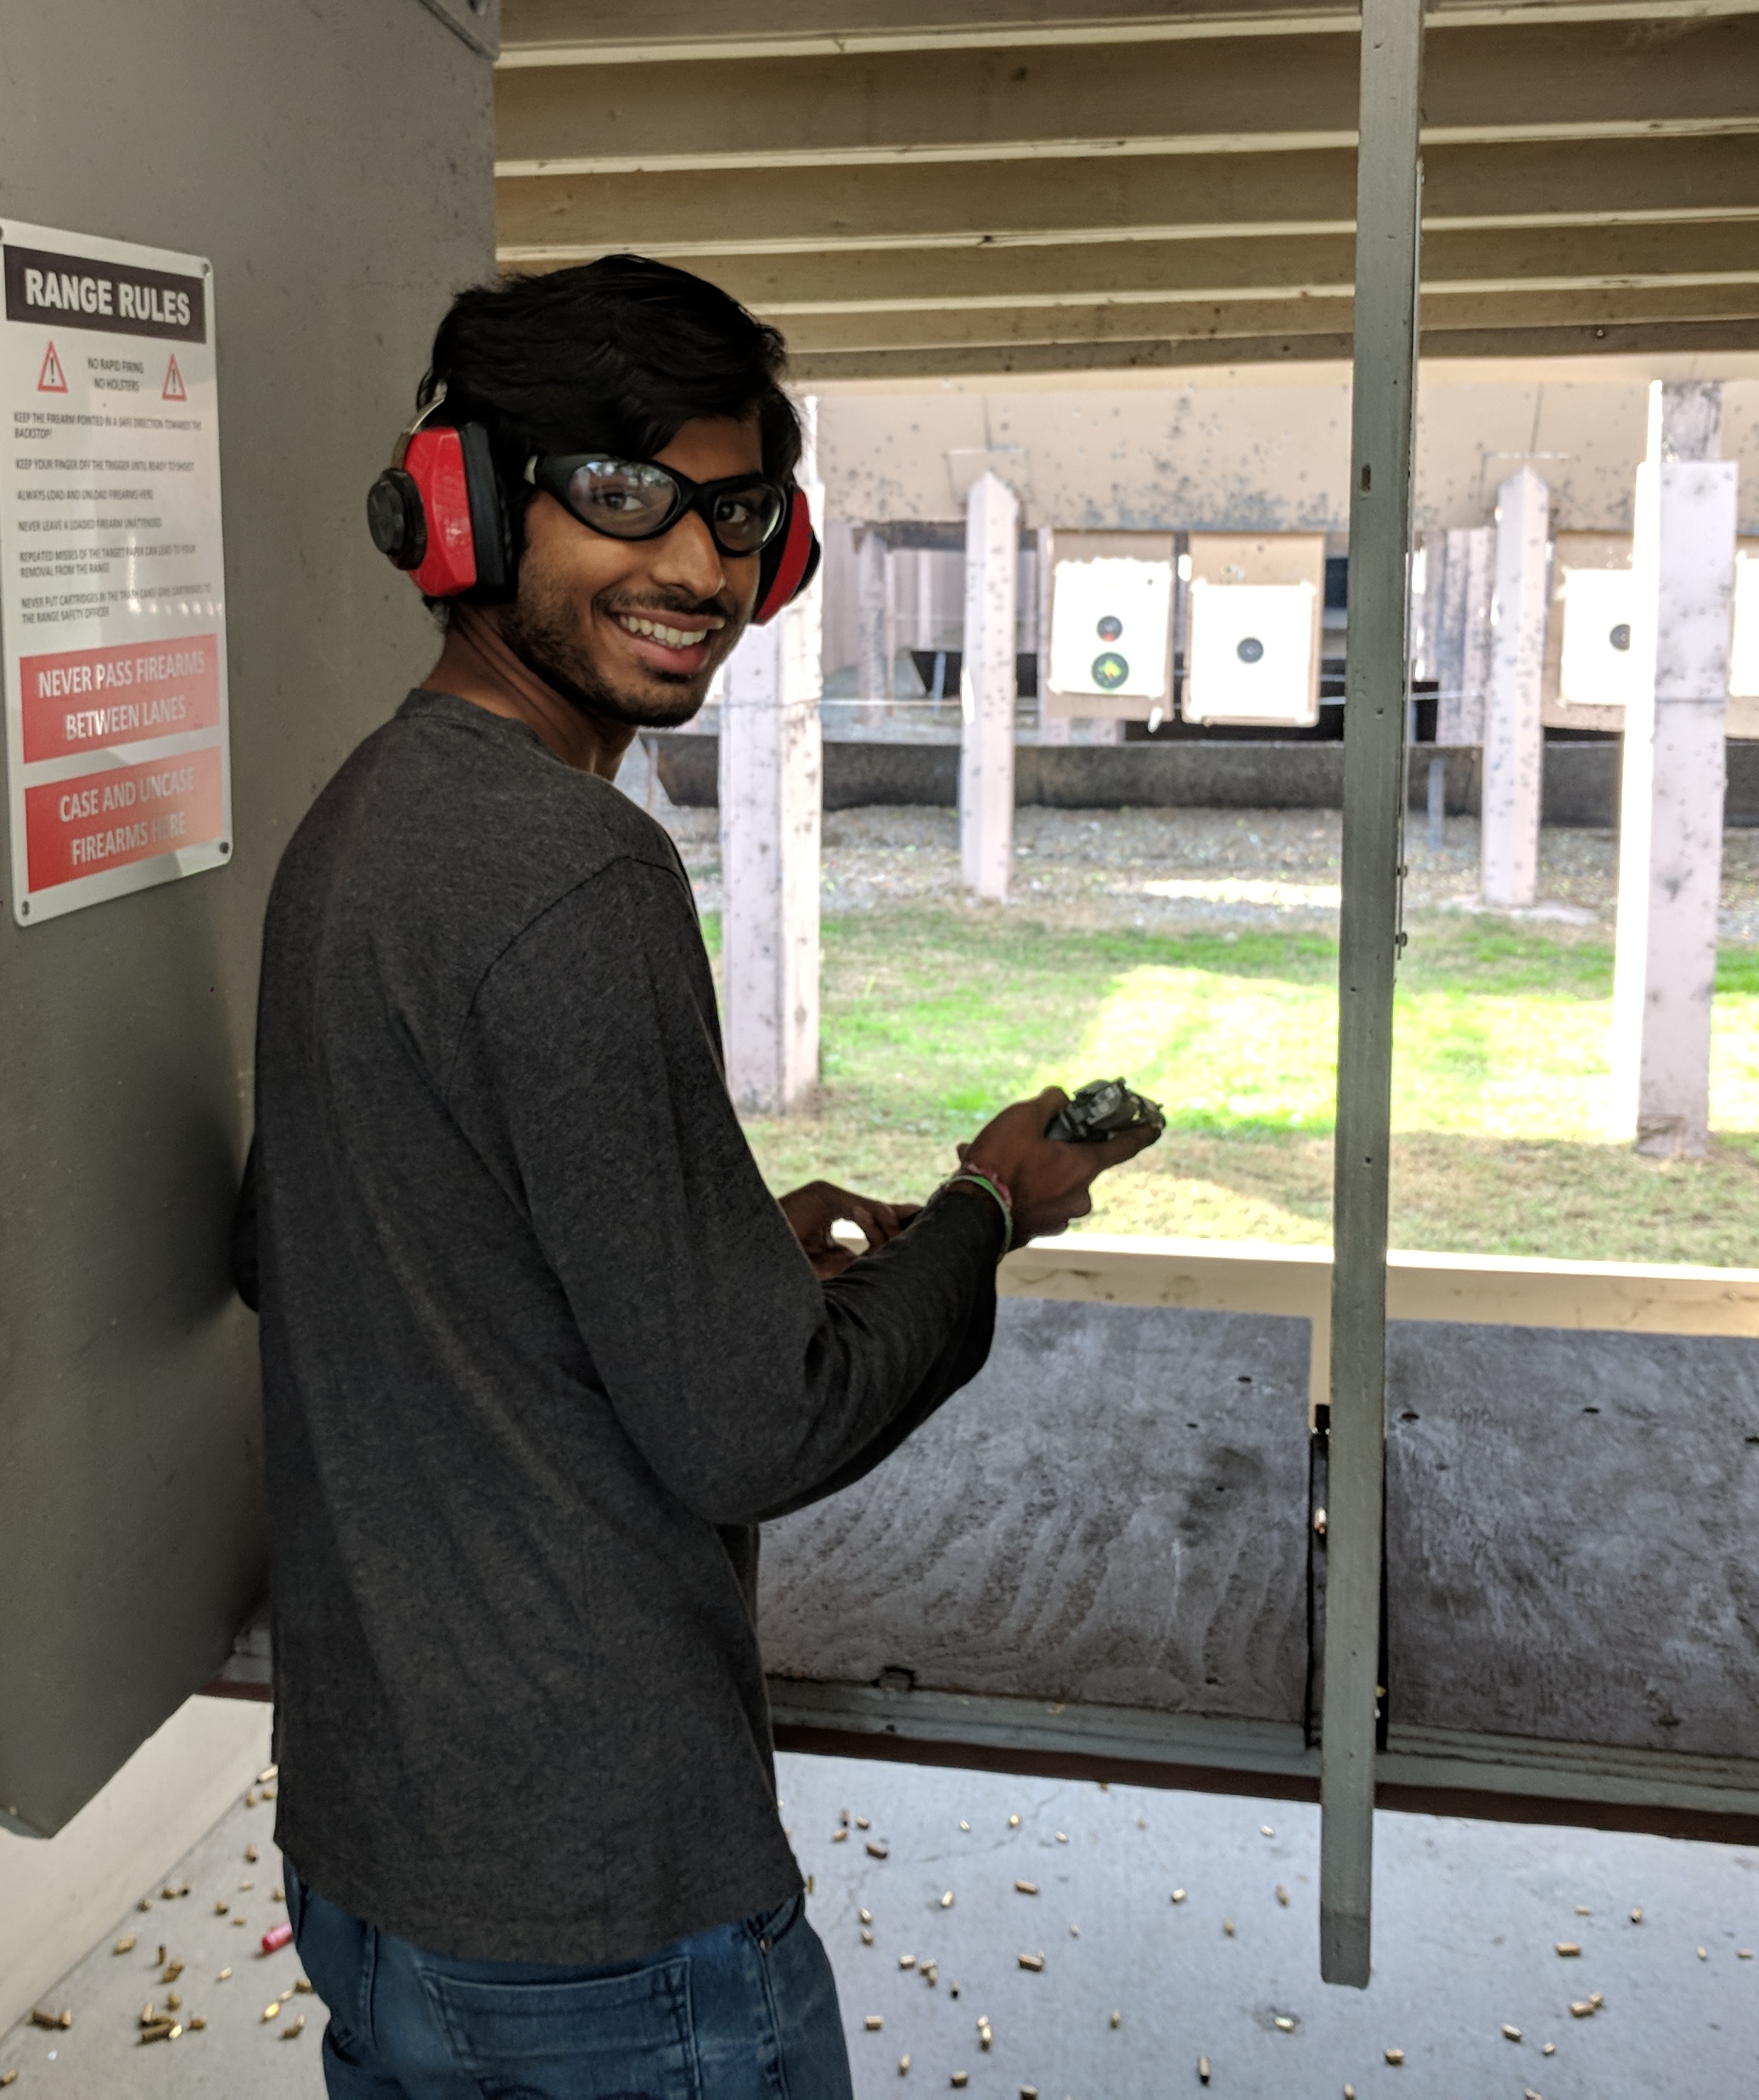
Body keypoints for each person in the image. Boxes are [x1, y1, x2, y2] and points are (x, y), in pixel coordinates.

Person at [234, 256, 1157, 2100]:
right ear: (466, 508)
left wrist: (706, 1245)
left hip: (376, 1865)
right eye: (618, 494)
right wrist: (986, 1207)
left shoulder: (370, 815)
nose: (696, 571)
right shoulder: (575, 875)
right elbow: (760, 1430)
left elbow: (309, 1236)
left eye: (736, 515)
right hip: (599, 1904)